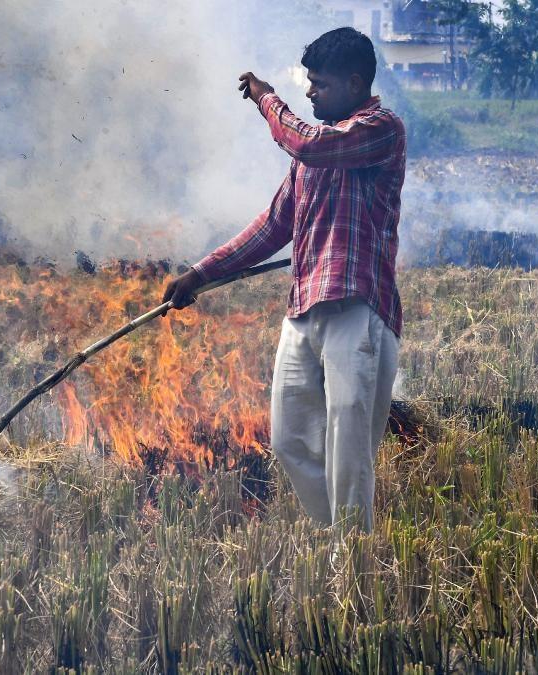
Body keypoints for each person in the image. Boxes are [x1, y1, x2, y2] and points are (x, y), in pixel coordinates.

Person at [162, 27, 406, 532]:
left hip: (357, 310)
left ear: (356, 83)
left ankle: (352, 569)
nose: (310, 92)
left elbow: (307, 142)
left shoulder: (379, 128)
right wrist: (200, 274)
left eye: (320, 84)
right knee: (289, 439)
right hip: (303, 311)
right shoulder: (310, 157)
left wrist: (266, 98)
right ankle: (341, 538)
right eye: (307, 83)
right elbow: (272, 227)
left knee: (348, 447)